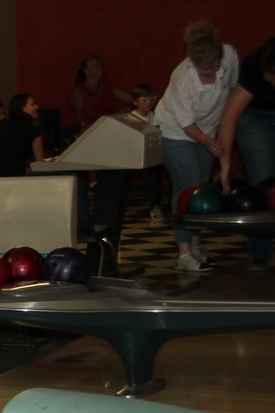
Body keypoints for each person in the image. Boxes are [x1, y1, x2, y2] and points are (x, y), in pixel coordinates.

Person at [154, 20, 238, 273]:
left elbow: (232, 95)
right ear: (193, 63)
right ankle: (183, 254)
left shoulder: (230, 56)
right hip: (177, 131)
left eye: (215, 66)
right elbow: (186, 124)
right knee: (187, 188)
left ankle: (196, 246)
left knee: (202, 189)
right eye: (205, 70)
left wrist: (219, 147)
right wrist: (208, 141)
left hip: (208, 128)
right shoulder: (183, 77)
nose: (211, 73)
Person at [216, 36, 275, 272]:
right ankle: (259, 253)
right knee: (263, 181)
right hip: (253, 117)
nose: (272, 85)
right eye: (270, 80)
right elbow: (229, 118)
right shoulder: (255, 65)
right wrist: (225, 166)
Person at [127, 83, 166, 222]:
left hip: (151, 154)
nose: (148, 103)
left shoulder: (154, 116)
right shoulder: (131, 118)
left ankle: (158, 204)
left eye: (152, 99)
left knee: (159, 168)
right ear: (135, 102)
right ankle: (154, 204)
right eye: (144, 100)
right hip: (134, 153)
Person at [67, 55, 131, 134]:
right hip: (83, 127)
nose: (100, 68)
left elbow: (130, 98)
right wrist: (84, 125)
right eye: (96, 66)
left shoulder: (108, 88)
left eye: (100, 65)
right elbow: (78, 112)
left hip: (105, 127)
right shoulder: (79, 90)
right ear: (86, 70)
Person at [0, 93, 44, 178]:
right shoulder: (33, 130)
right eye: (33, 104)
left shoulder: (1, 125)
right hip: (17, 177)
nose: (37, 107)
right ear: (23, 108)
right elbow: (40, 165)